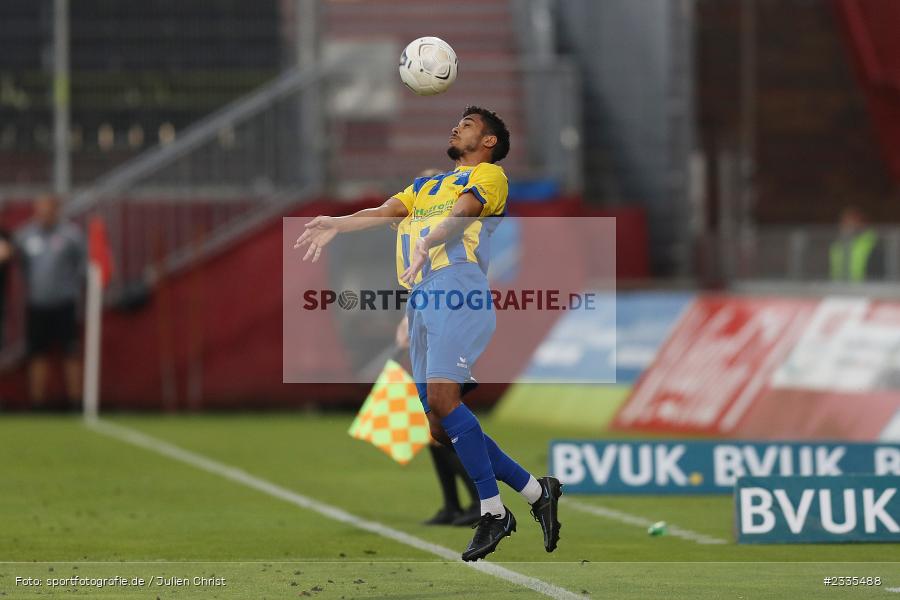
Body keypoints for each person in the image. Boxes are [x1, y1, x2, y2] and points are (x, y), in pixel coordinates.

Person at [295, 106, 562, 561]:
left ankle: (493, 511)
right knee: (440, 428)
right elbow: (383, 212)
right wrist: (336, 224)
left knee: (443, 402)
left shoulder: (490, 176)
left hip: (458, 291)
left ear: (490, 141)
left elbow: (462, 212)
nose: (457, 127)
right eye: (458, 122)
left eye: (469, 124)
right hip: (420, 300)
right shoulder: (424, 186)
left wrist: (430, 239)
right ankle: (538, 492)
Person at [395, 313, 481, 527]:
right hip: (434, 352)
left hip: (444, 355)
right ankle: (453, 505)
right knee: (435, 435)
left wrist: (411, 323)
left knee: (446, 434)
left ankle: (481, 503)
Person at [0, 196, 86, 408]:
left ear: (56, 209)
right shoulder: (26, 234)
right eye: (39, 209)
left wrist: (75, 286)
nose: (42, 213)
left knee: (70, 352)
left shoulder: (71, 234)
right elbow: (10, 252)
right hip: (36, 304)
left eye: (47, 209)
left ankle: (76, 402)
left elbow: (84, 263)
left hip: (65, 303)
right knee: (37, 354)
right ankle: (38, 403)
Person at [830, 206, 885, 282]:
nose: (847, 225)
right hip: (839, 288)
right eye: (845, 221)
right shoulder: (837, 244)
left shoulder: (873, 243)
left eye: (852, 221)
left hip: (865, 289)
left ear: (861, 222)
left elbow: (879, 271)